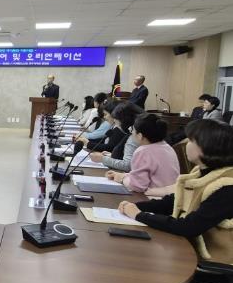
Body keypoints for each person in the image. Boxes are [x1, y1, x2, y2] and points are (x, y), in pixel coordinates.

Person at [118, 120, 233, 263]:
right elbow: (174, 201)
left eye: (190, 140)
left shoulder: (227, 186)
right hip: (187, 249)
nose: (186, 144)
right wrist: (136, 206)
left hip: (212, 261)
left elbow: (189, 226)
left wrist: (139, 215)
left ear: (208, 147)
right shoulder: (202, 172)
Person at [106, 113, 180, 193]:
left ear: (140, 136)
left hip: (152, 197)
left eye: (133, 130)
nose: (132, 133)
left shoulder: (143, 151)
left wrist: (122, 179)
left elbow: (137, 186)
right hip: (173, 196)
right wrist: (124, 175)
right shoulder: (168, 147)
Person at [90, 102, 143, 171]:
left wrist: (103, 159)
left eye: (116, 119)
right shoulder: (131, 134)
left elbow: (128, 165)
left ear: (124, 120)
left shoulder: (134, 138)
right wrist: (112, 155)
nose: (115, 121)